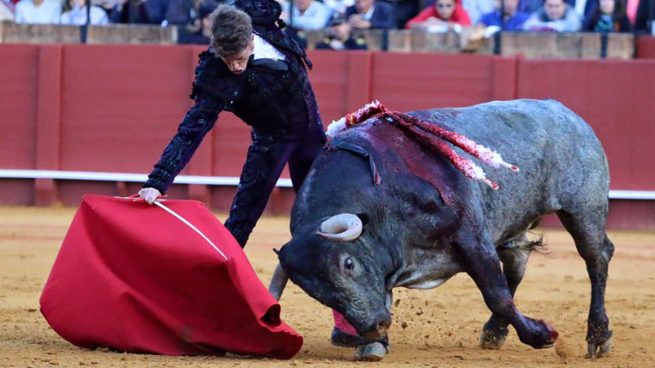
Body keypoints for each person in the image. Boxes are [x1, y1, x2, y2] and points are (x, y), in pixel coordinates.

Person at [139, 0, 326, 250]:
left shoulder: (259, 17)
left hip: (311, 130)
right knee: (243, 218)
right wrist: (157, 181)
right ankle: (218, 276)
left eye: (239, 58)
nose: (235, 66)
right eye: (228, 60)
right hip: (272, 141)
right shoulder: (216, 72)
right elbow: (191, 130)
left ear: (251, 40)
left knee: (323, 209)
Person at [405, 0, 472, 31]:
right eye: (440, 6)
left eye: (448, 6)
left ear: (454, 6)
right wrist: (423, 25)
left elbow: (467, 26)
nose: (444, 9)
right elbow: (409, 25)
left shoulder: (459, 10)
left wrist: (441, 24)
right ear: (435, 6)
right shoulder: (431, 10)